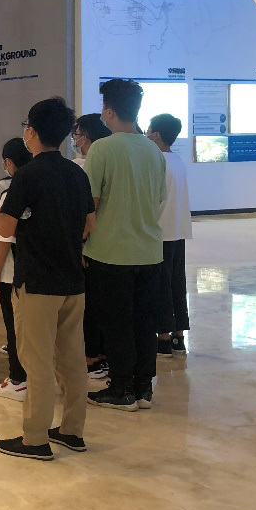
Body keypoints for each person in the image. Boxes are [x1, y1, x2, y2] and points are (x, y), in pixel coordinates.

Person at [0, 98, 95, 461]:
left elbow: (6, 227)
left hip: (36, 283)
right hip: (73, 281)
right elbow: (90, 223)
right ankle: (72, 430)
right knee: (72, 360)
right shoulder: (77, 174)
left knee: (37, 363)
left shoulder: (27, 175)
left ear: (31, 132)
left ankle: (35, 439)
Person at [84, 79, 167, 412]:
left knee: (117, 323)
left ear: (109, 111)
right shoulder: (153, 150)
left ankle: (121, 389)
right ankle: (143, 388)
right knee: (145, 322)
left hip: (110, 252)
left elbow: (89, 204)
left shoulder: (102, 149)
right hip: (150, 251)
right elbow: (158, 198)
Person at [0, 137, 32, 401]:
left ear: (9, 162)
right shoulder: (39, 186)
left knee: (14, 326)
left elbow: (5, 235)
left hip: (13, 272)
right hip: (36, 270)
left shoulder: (11, 192)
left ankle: (18, 378)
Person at [146, 113, 192, 357]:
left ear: (156, 135)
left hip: (160, 233)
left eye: (148, 130)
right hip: (178, 230)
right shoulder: (178, 161)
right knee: (177, 283)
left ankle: (163, 339)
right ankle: (178, 337)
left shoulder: (157, 161)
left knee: (161, 286)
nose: (145, 134)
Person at [72, 114, 112, 379]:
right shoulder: (112, 161)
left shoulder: (81, 166)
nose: (75, 140)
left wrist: (80, 243)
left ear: (84, 138)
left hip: (90, 245)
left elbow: (85, 210)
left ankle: (91, 358)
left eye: (76, 135)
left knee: (89, 304)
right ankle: (104, 355)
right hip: (112, 244)